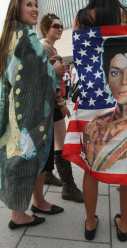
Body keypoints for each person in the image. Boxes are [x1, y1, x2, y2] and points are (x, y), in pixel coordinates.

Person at [62, 0, 127, 242]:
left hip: (94, 101)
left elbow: (82, 61)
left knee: (91, 167)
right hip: (126, 99)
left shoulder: (82, 17)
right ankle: (124, 224)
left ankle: (91, 222)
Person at [0, 0, 65, 230]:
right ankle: (18, 215)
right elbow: (32, 74)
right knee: (24, 157)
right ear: (17, 9)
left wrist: (47, 67)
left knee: (29, 157)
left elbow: (24, 70)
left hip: (18, 108)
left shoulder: (14, 35)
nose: (34, 8)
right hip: (28, 112)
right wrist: (55, 72)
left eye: (36, 4)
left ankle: (38, 201)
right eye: (28, 4)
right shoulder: (25, 37)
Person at [40, 13, 83, 203]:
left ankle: (48, 174)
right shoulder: (45, 47)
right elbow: (49, 79)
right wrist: (61, 103)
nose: (59, 28)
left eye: (60, 26)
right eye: (55, 26)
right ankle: (69, 187)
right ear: (45, 29)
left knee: (53, 141)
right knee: (61, 142)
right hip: (50, 101)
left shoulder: (51, 47)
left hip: (49, 101)